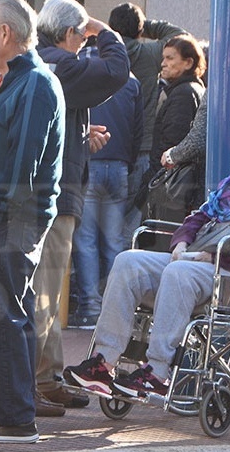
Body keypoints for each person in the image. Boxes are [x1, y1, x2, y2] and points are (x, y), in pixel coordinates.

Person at [63, 114, 230, 397]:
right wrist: (181, 243)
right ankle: (103, 362)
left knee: (179, 272)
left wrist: (213, 258)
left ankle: (157, 371)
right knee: (128, 261)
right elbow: (197, 219)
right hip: (200, 265)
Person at [0, 0, 65, 443]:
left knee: (5, 315)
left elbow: (22, 166)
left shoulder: (34, 83)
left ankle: (14, 418)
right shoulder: (22, 81)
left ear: (5, 33)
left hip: (13, 219)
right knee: (14, 314)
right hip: (12, 217)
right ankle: (16, 413)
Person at [32, 0, 129, 416]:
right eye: (82, 36)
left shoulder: (45, 60)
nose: (84, 43)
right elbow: (116, 70)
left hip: (51, 191)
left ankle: (46, 379)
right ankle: (34, 384)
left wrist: (79, 140)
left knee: (49, 294)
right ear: (71, 33)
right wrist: (104, 31)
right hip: (53, 196)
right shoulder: (60, 62)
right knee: (44, 294)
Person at [71, 44, 143, 333]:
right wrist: (128, 160)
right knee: (114, 241)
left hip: (89, 162)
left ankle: (90, 308)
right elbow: (138, 130)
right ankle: (117, 309)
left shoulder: (80, 75)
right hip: (119, 165)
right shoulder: (131, 81)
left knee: (85, 240)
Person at [161, 29, 230, 211]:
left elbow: (198, 139)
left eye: (221, 57)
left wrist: (172, 155)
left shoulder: (218, 91)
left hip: (212, 181)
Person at [108, 3, 188, 236]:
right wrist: (145, 26)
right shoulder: (150, 54)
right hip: (143, 145)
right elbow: (179, 36)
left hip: (106, 145)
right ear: (140, 30)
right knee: (133, 216)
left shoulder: (101, 53)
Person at [144, 34, 206, 220]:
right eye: (163, 58)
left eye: (170, 58)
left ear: (188, 62)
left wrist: (153, 179)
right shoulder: (190, 88)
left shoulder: (183, 93)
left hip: (173, 185)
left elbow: (172, 140)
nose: (163, 64)